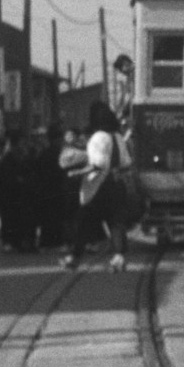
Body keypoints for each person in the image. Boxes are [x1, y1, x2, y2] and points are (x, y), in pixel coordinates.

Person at [61, 102, 130, 272]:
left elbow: (97, 165)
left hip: (98, 187)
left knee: (83, 222)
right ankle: (118, 257)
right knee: (115, 222)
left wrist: (77, 173)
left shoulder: (98, 137)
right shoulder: (118, 137)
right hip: (117, 185)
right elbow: (126, 163)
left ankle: (74, 258)